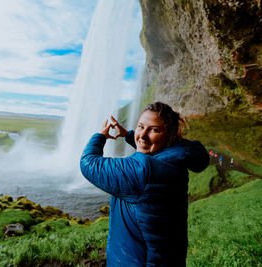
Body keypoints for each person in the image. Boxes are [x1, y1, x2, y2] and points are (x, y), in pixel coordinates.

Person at [80, 102, 209, 266]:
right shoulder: (176, 159)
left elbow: (88, 163)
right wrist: (128, 134)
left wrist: (100, 136)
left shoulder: (142, 172)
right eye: (141, 126)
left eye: (154, 130)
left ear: (169, 136)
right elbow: (154, 150)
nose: (142, 135)